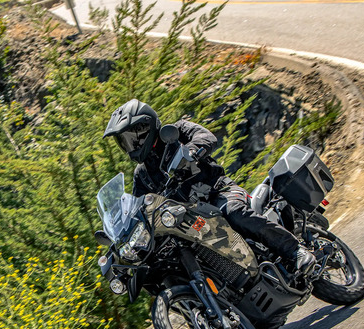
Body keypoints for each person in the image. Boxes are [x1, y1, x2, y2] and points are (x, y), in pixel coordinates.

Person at [102, 99, 315, 274]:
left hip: (218, 191)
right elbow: (139, 206)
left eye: (131, 138)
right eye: (124, 141)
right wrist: (124, 232)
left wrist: (192, 152)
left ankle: (294, 250)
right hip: (192, 218)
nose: (129, 146)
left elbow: (206, 137)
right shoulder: (142, 174)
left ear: (145, 127)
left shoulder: (176, 131)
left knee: (234, 212)